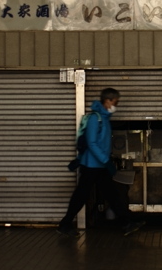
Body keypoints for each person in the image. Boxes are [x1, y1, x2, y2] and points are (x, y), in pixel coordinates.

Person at [58, 88, 144, 236]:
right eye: (115, 102)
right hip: (91, 166)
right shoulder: (95, 118)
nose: (116, 105)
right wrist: (106, 161)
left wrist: (106, 162)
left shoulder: (104, 119)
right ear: (107, 101)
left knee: (111, 194)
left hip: (98, 166)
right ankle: (64, 225)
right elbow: (92, 143)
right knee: (81, 196)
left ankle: (127, 222)